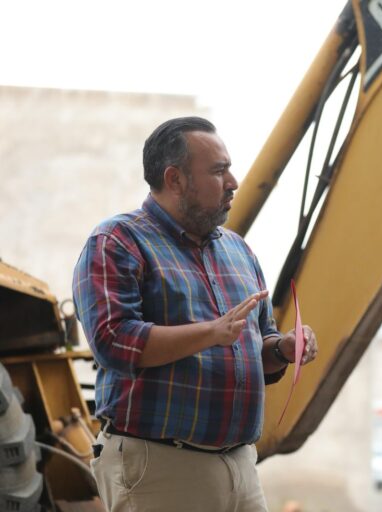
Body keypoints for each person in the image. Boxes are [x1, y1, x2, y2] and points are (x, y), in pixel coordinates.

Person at [72, 116, 318, 512]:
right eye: (219, 171)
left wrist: (282, 348)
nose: (233, 181)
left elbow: (256, 344)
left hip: (240, 464)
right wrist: (210, 333)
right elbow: (113, 342)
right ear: (175, 179)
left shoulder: (240, 251)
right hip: (159, 467)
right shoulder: (117, 241)